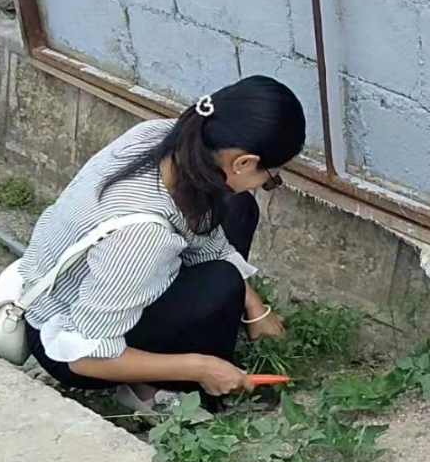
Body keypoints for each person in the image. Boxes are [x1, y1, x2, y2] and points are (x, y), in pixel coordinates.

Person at [19, 75, 303, 412]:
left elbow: (208, 238)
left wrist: (255, 307)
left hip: (94, 285)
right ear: (243, 163)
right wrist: (201, 368)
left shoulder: (166, 137)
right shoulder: (142, 238)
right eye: (269, 179)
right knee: (221, 283)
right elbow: (85, 357)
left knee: (238, 207)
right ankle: (161, 392)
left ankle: (166, 362)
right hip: (65, 341)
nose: (264, 184)